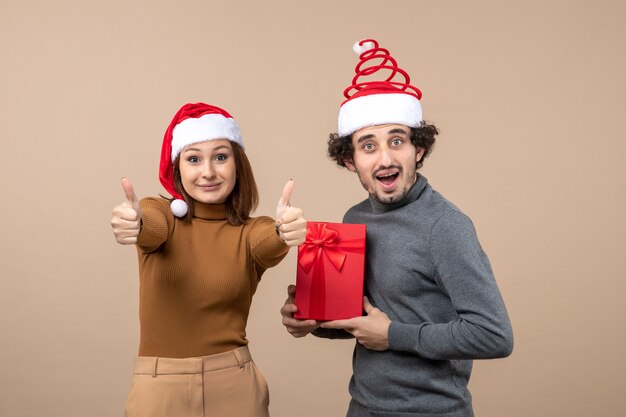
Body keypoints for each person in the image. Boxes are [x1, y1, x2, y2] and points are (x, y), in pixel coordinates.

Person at [281, 39, 513, 417]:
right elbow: (367, 320)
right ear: (349, 160)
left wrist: (393, 335)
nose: (385, 157)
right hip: (363, 407)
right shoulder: (355, 218)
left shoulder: (445, 226)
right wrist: (313, 321)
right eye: (368, 146)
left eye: (397, 141)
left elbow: (494, 335)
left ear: (418, 150)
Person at [111, 102, 307, 417]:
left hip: (235, 387)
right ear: (178, 168)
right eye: (193, 159)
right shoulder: (161, 214)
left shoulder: (250, 231)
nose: (208, 172)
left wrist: (284, 232)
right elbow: (149, 227)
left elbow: (267, 243)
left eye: (220, 157)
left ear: (237, 164)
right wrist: (134, 223)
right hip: (160, 391)